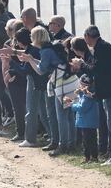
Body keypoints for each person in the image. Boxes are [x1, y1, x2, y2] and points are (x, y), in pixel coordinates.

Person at [71, 25, 111, 165]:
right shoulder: (102, 47)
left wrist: (81, 64)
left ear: (88, 37)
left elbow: (95, 70)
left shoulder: (102, 49)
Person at [19, 26, 78, 157]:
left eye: (32, 36)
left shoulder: (45, 51)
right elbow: (46, 64)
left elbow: (41, 70)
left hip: (62, 85)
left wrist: (29, 60)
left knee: (61, 115)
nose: (30, 38)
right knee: (68, 115)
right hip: (69, 82)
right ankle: (71, 143)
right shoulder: (50, 47)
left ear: (37, 38)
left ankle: (63, 145)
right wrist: (31, 59)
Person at [1, 28, 50, 147]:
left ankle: (30, 139)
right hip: (40, 82)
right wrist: (14, 54)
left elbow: (24, 71)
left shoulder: (32, 51)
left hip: (34, 82)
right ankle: (52, 136)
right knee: (43, 112)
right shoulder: (34, 49)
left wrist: (11, 65)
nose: (16, 44)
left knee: (31, 111)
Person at [70, 74, 99, 163]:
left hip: (86, 123)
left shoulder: (87, 97)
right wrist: (80, 93)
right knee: (92, 140)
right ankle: (93, 157)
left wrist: (72, 105)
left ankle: (88, 157)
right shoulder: (88, 95)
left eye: (80, 84)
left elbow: (82, 108)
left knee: (87, 141)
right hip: (91, 122)